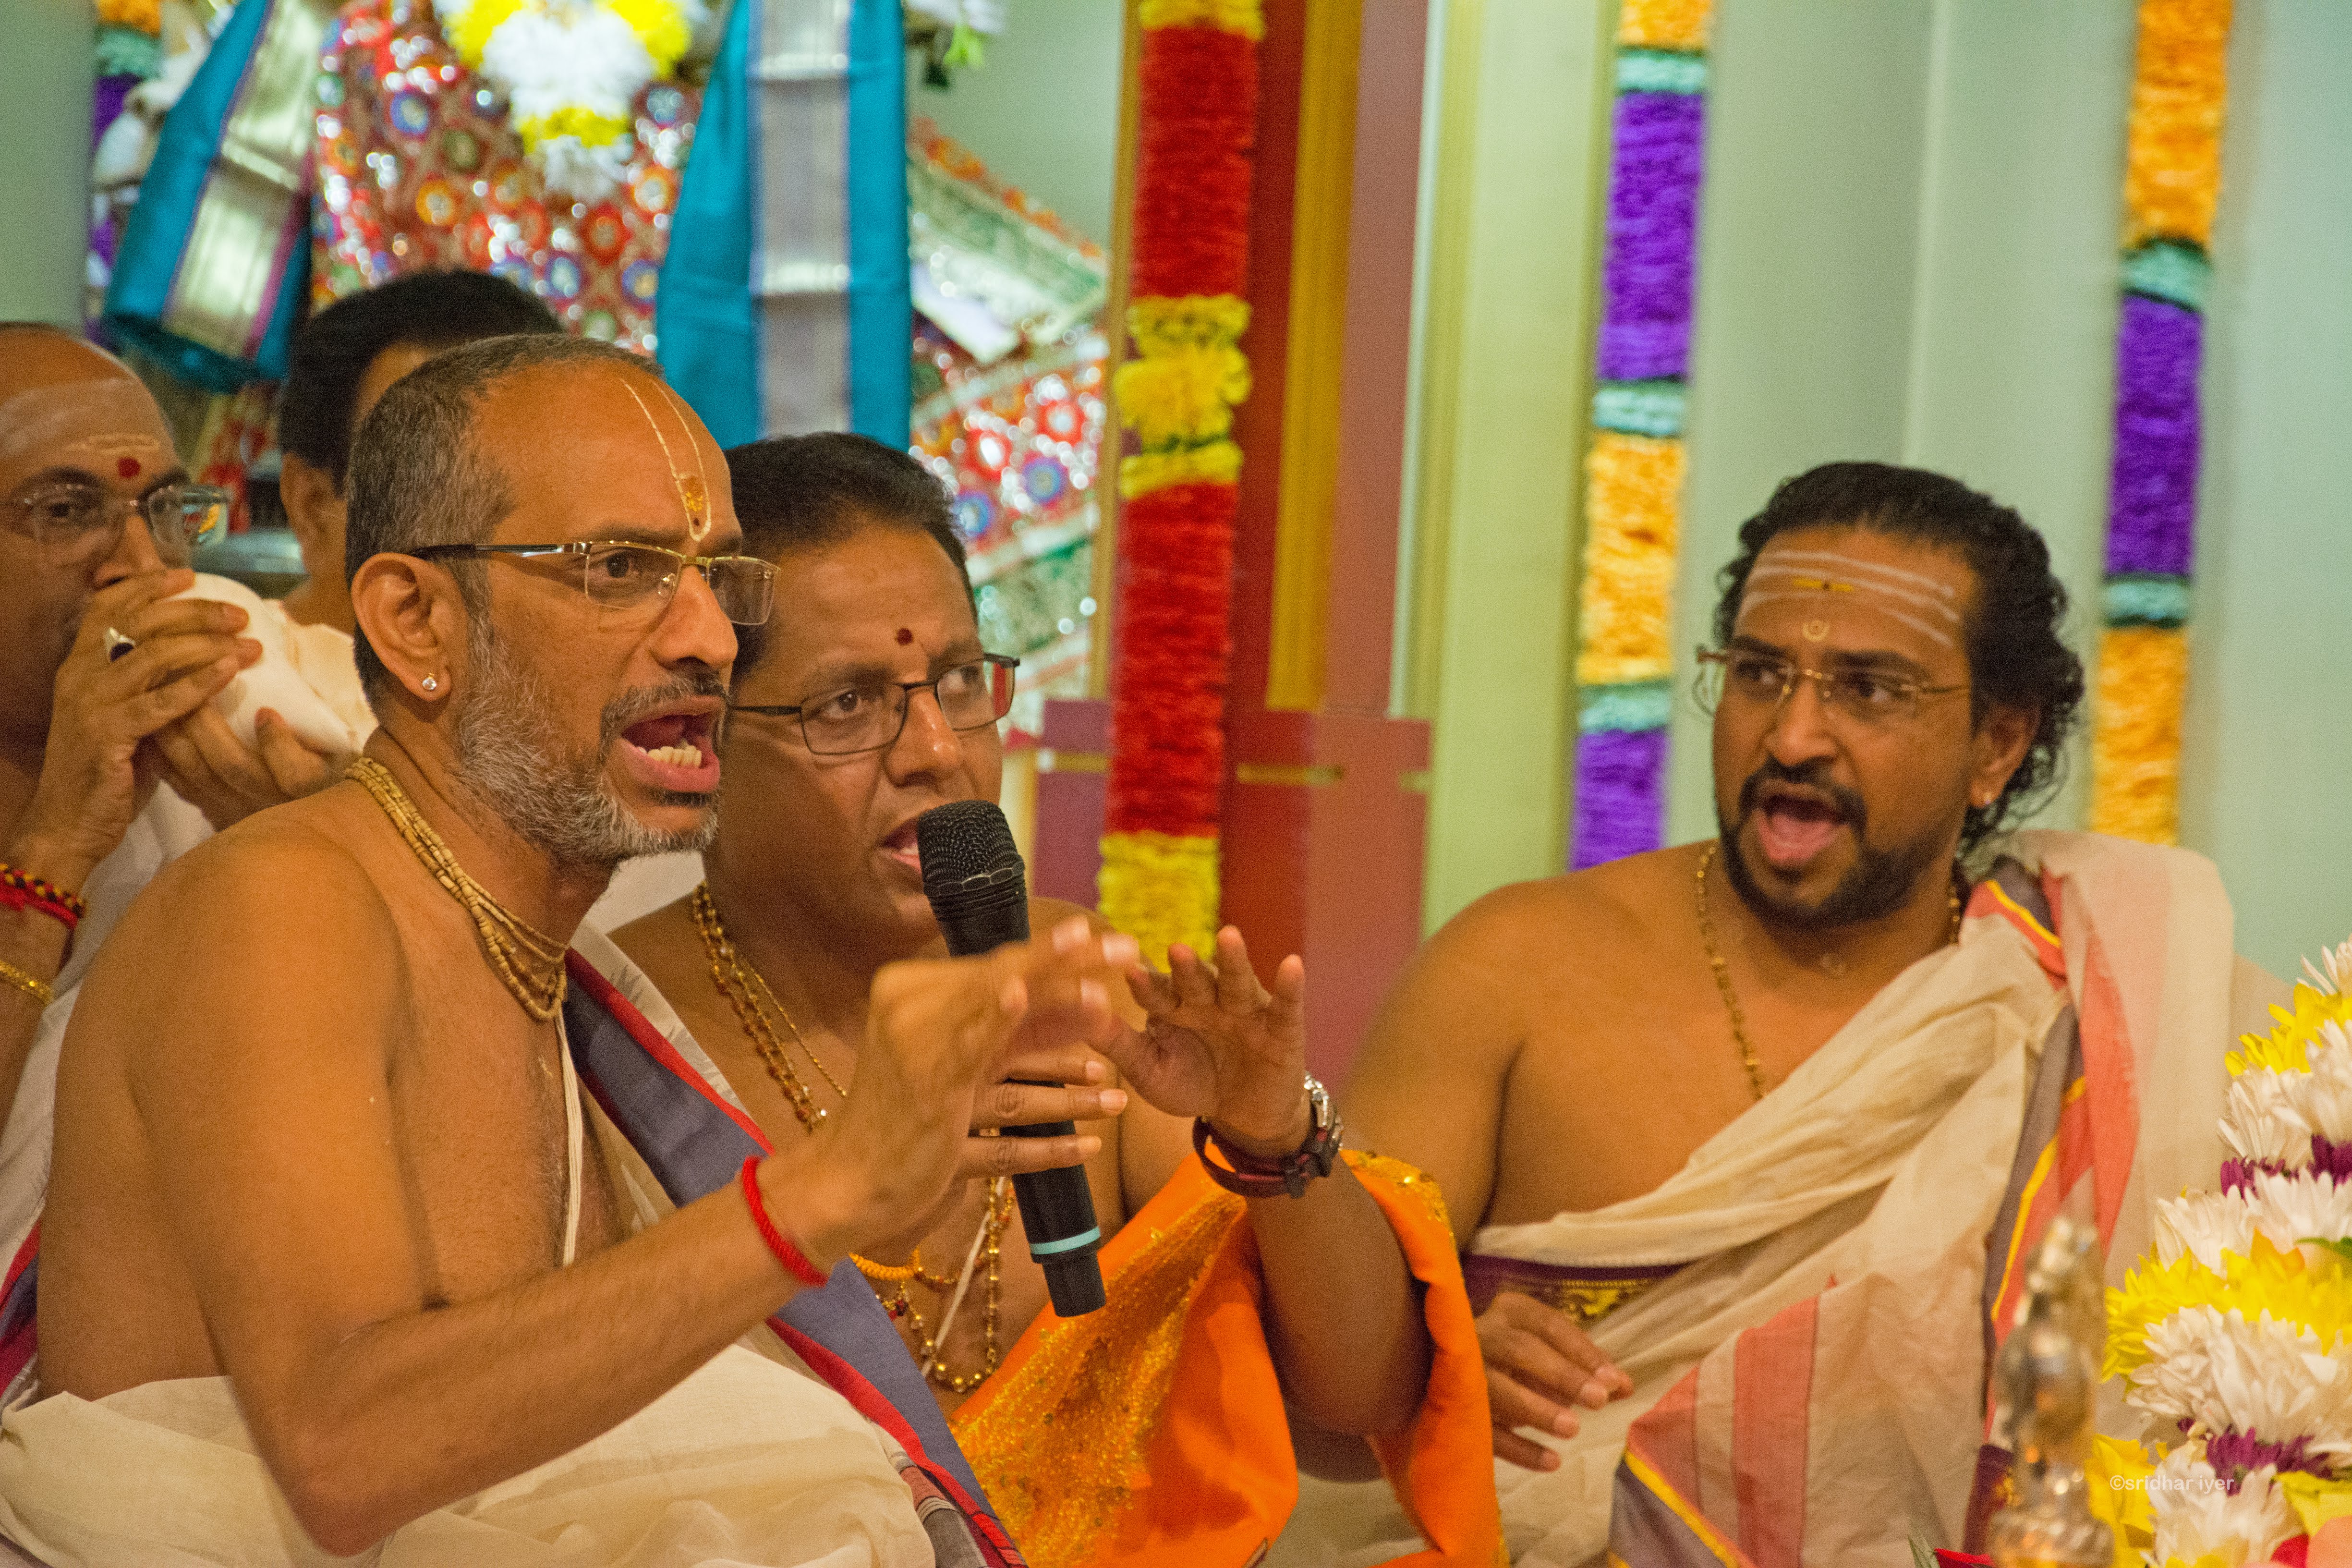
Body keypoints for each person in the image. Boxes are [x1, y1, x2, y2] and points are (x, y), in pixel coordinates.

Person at [12, 334, 1141, 1563]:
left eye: (717, 577)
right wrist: (832, 1186)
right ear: (415, 619)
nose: (709, 637)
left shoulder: (538, 964)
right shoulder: (285, 907)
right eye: (621, 569)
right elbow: (344, 1449)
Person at [1320, 463, 2285, 1567]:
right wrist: (1429, 1365)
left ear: (1997, 744)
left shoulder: (2094, 1003)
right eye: (1758, 674)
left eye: (1868, 689)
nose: (1791, 737)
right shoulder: (1513, 969)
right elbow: (1318, 1394)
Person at [587, 433, 1496, 1568]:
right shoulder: (614, 1042)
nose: (935, 751)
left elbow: (1365, 1404)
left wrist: (1275, 1138)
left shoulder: (1087, 989)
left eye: (959, 683)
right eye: (846, 705)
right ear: (705, 734)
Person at [0, 325, 349, 1372]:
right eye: (66, 511)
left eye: (163, 511)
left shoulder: (286, 718)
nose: (140, 566)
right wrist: (55, 848)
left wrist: (304, 856)